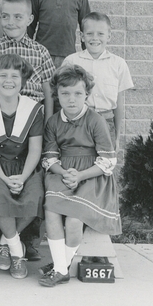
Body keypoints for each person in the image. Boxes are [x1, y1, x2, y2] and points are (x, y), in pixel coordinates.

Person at [0, 0, 55, 260]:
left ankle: (25, 239)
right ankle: (8, 236)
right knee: (1, 182)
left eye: (18, 17)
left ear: (30, 19)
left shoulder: (40, 51)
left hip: (31, 122)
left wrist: (48, 126)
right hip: (1, 121)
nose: (11, 22)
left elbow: (47, 92)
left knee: (31, 180)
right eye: (5, 16)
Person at [39, 65, 121, 287]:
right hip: (63, 172)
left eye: (77, 93)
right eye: (65, 93)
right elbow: (49, 158)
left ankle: (60, 267)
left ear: (87, 94)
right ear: (57, 95)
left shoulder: (95, 120)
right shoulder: (54, 122)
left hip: (92, 175)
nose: (71, 99)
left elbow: (108, 161)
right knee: (52, 210)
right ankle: (60, 266)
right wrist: (64, 172)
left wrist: (81, 174)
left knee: (74, 220)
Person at [0, 54, 44, 280]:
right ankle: (16, 252)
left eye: (15, 75)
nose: (8, 80)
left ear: (23, 80)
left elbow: (35, 150)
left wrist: (22, 177)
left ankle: (4, 241)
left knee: (35, 197)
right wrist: (5, 179)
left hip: (25, 166)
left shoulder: (33, 109)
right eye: (3, 75)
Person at [62, 12, 134, 152]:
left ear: (109, 36)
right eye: (89, 34)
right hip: (77, 121)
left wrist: (117, 136)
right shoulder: (71, 61)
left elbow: (119, 102)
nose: (95, 38)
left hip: (106, 122)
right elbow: (62, 96)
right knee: (78, 162)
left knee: (105, 164)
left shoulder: (118, 64)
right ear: (82, 36)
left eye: (100, 34)